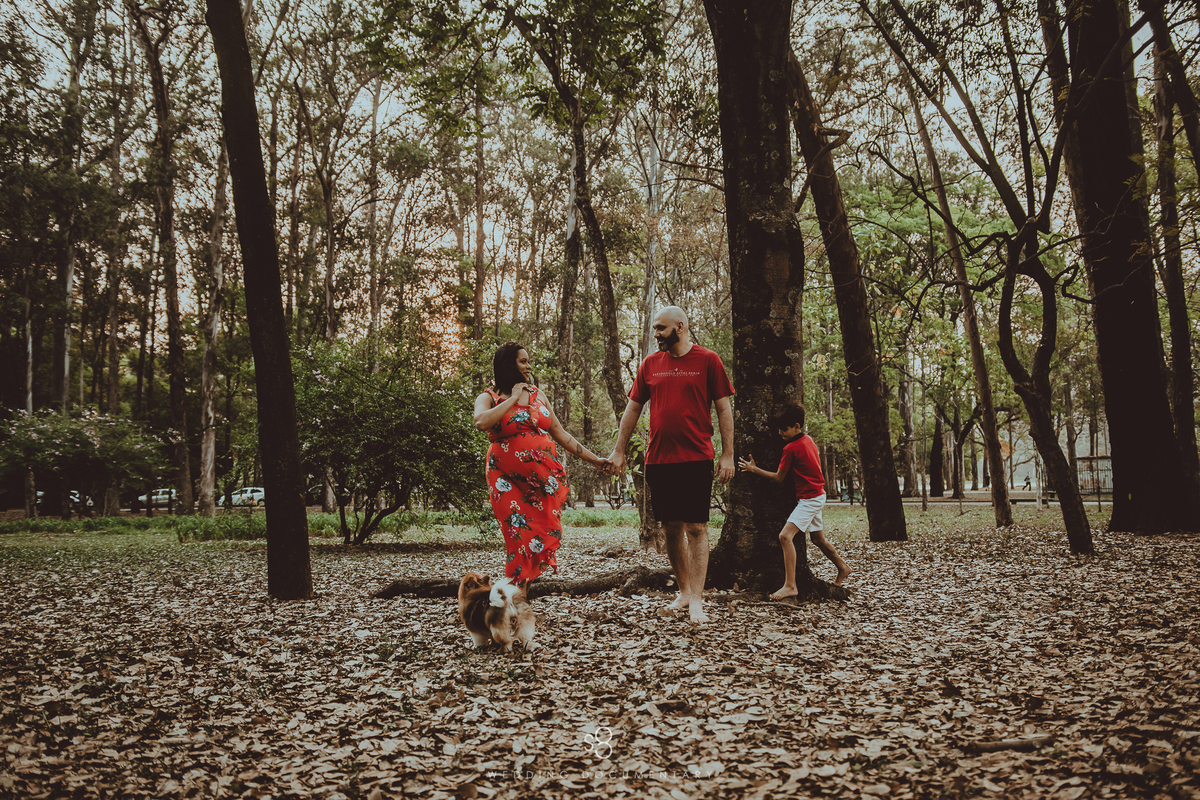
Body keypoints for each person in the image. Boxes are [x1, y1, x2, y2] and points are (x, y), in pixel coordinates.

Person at [606, 306, 735, 623]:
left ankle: (698, 601)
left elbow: (723, 409)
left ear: (680, 327)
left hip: (696, 457)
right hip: (660, 459)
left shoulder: (708, 361)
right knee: (671, 528)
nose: (656, 334)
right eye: (654, 329)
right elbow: (633, 410)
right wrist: (619, 450)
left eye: (661, 328)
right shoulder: (650, 364)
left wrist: (728, 454)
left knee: (696, 527)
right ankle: (684, 591)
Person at [473, 342, 607, 588]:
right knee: (517, 537)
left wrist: (596, 460)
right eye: (523, 361)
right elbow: (481, 422)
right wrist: (513, 398)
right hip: (505, 479)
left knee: (539, 532)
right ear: (507, 364)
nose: (528, 366)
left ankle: (519, 595)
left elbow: (561, 434)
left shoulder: (538, 395)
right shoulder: (489, 397)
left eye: (528, 361)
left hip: (539, 481)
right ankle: (517, 599)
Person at [738, 404, 851, 596]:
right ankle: (843, 568)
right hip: (818, 494)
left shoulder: (790, 448)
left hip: (810, 499)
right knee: (818, 539)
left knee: (785, 536)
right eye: (779, 428)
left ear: (797, 426)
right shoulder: (808, 440)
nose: (780, 432)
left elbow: (779, 478)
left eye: (784, 428)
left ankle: (790, 586)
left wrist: (754, 469)